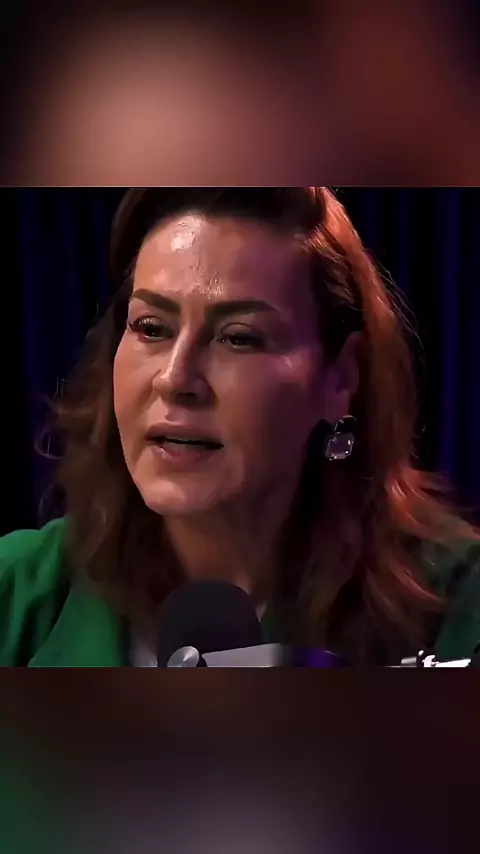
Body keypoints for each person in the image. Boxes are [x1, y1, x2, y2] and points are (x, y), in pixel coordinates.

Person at [1, 187, 480, 667]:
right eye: (151, 328)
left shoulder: (457, 600)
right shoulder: (15, 589)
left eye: (238, 338)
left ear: (339, 378)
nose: (174, 379)